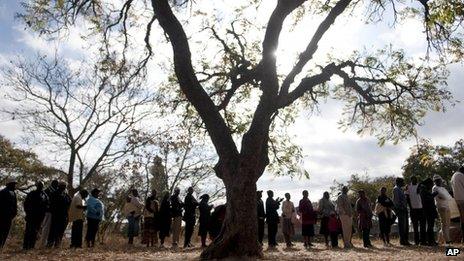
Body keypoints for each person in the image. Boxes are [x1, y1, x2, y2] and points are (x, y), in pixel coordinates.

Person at [23, 181, 49, 250]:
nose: (40, 187)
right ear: (37, 186)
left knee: (35, 231)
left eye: (41, 186)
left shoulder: (45, 195)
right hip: (31, 215)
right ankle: (25, 246)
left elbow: (47, 205)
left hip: (39, 217)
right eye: (39, 185)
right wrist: (27, 213)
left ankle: (32, 246)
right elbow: (26, 204)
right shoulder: (31, 193)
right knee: (28, 231)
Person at [47, 181, 71, 248]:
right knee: (53, 230)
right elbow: (51, 204)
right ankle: (49, 244)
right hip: (55, 215)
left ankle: (57, 245)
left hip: (63, 216)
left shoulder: (66, 195)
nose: (64, 187)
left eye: (65, 186)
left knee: (61, 231)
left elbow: (70, 203)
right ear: (59, 186)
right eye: (63, 186)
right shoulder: (53, 194)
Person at [405, 176, 426, 245]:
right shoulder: (408, 187)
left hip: (421, 208)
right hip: (413, 209)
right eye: (413, 179)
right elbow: (407, 198)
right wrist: (410, 206)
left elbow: (422, 195)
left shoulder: (420, 186)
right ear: (411, 180)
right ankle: (416, 241)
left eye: (416, 179)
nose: (415, 180)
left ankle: (423, 241)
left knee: (422, 225)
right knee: (415, 226)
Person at [433, 174, 452, 245]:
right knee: (444, 224)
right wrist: (446, 196)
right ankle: (447, 240)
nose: (439, 182)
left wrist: (446, 196)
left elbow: (449, 197)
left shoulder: (442, 188)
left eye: (440, 180)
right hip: (441, 207)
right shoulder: (435, 188)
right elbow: (444, 196)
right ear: (435, 181)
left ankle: (440, 240)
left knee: (447, 224)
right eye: (437, 180)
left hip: (447, 206)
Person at [38, 179, 58, 248]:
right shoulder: (47, 191)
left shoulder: (53, 191)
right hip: (48, 212)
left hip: (53, 213)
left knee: (49, 229)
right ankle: (42, 244)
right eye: (57, 185)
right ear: (54, 185)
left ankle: (46, 244)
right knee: (45, 229)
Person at [0, 178, 18, 249]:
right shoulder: (2, 192)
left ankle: (1, 247)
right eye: (13, 184)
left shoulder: (13, 193)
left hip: (9, 217)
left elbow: (15, 205)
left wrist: (14, 213)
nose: (14, 186)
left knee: (5, 232)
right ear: (9, 184)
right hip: (2, 216)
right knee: (1, 232)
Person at [393, 177, 411, 246]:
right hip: (401, 210)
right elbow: (396, 201)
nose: (404, 183)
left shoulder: (400, 189)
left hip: (404, 209)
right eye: (402, 182)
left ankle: (405, 240)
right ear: (399, 182)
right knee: (402, 226)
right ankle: (402, 241)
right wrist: (401, 208)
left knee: (406, 225)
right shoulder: (396, 189)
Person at [420, 178, 438, 246]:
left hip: (430, 210)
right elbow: (425, 200)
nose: (431, 186)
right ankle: (430, 241)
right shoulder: (423, 190)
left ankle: (431, 240)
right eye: (431, 185)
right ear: (428, 184)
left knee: (431, 226)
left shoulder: (425, 189)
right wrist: (433, 194)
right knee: (430, 226)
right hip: (427, 210)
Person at [450, 166, 464, 242]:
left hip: (457, 200)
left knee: (462, 219)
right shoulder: (461, 175)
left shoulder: (453, 176)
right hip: (463, 199)